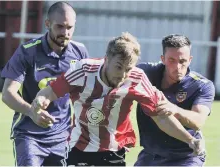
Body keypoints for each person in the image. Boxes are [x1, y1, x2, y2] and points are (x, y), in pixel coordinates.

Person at [32, 32, 204, 166]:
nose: (122, 75)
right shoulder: (83, 70)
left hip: (113, 150)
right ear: (106, 59)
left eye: (128, 68)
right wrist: (40, 105)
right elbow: (48, 93)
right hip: (78, 145)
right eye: (118, 67)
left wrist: (190, 140)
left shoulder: (137, 78)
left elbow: (160, 117)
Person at [1, 2, 89, 166]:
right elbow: (7, 94)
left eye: (70, 27)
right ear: (47, 24)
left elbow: (83, 93)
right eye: (60, 27)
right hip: (29, 135)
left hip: (63, 136)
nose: (65, 33)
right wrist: (31, 112)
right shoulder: (27, 52)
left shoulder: (80, 52)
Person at [134, 34, 215, 166]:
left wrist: (174, 109)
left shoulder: (202, 85)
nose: (178, 67)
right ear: (163, 59)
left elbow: (198, 121)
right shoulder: (146, 73)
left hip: (186, 155)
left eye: (182, 61)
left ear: (190, 60)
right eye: (172, 60)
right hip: (151, 154)